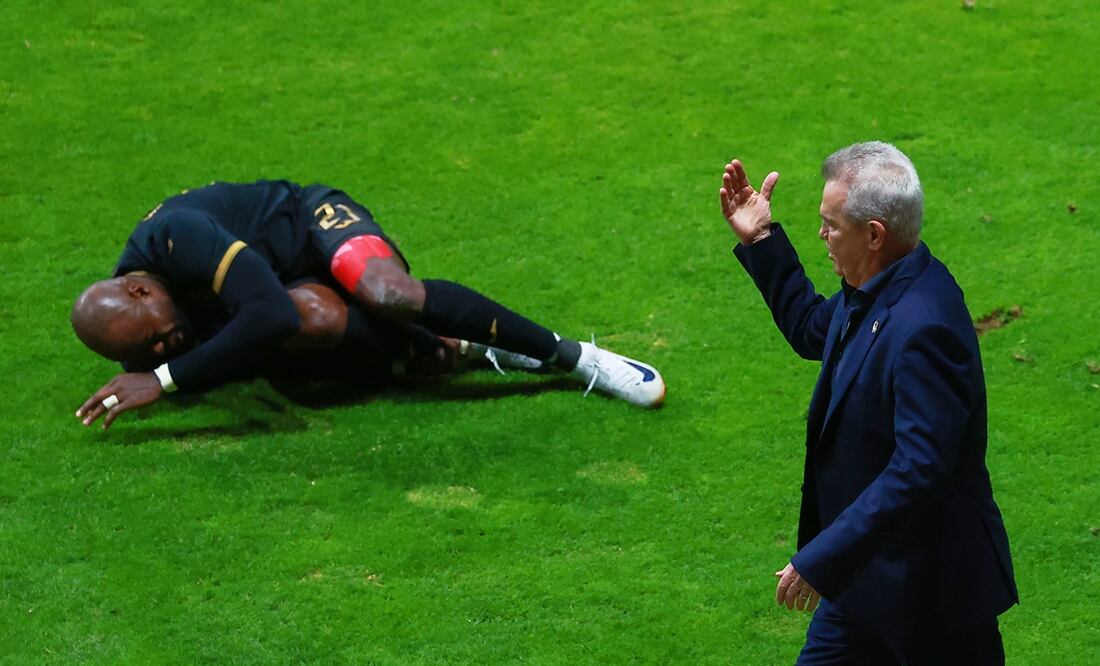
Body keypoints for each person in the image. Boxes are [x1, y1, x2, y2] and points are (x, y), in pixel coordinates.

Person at [719, 143, 1016, 663]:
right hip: (864, 581)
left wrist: (824, 557)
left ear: (874, 235)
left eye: (831, 224)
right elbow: (813, 328)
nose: (822, 234)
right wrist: (761, 239)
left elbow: (918, 470)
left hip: (932, 599)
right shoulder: (876, 286)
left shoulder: (925, 325)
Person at [72, 180, 665, 428]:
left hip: (309, 228)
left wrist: (165, 379)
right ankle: (455, 347)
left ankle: (575, 358)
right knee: (315, 321)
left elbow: (267, 315)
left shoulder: (177, 237)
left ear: (141, 290)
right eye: (148, 354)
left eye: (155, 338)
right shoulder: (143, 319)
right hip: (283, 289)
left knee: (388, 293)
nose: (162, 348)